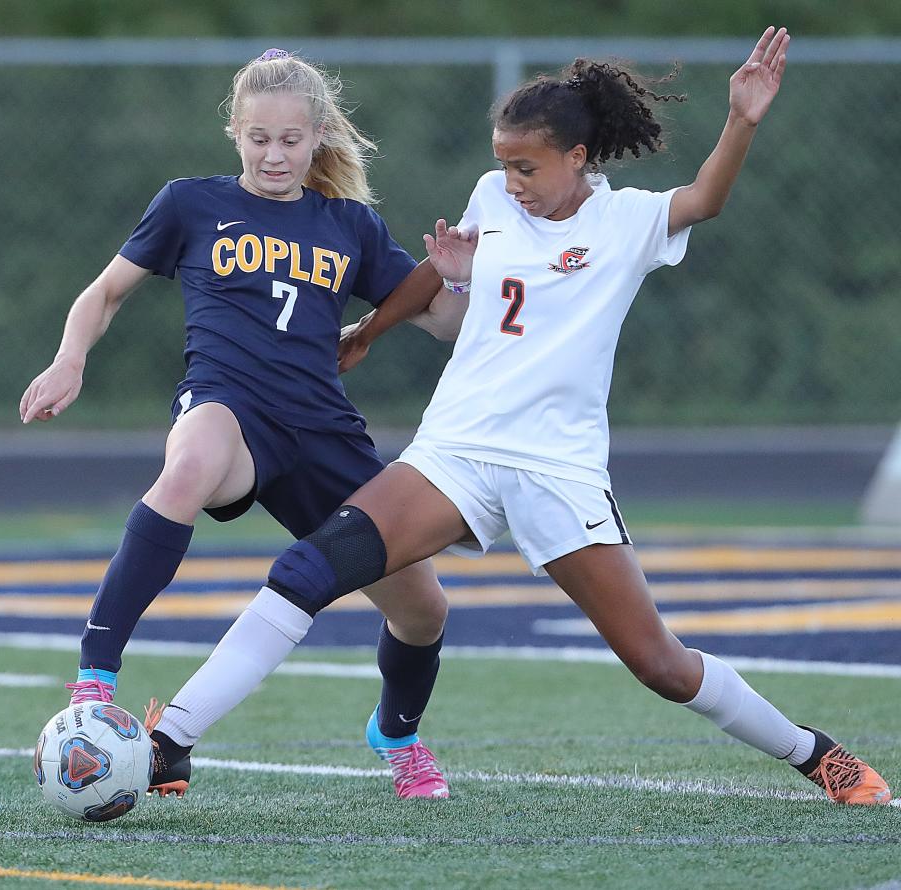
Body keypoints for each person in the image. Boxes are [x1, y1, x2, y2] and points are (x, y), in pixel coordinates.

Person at [145, 28, 891, 806]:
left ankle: (818, 755)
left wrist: (742, 119)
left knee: (660, 664)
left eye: (527, 165)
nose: (512, 180)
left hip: (558, 470)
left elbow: (707, 197)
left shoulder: (627, 222)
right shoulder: (494, 194)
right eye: (504, 163)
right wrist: (371, 330)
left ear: (578, 157)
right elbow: (441, 267)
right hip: (457, 448)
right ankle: (171, 741)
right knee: (306, 571)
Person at [18, 49, 465, 800]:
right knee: (188, 468)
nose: (274, 154)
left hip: (324, 432)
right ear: (235, 132)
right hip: (228, 406)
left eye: (291, 139)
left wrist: (458, 274)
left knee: (423, 610)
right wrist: (70, 360)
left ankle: (398, 732)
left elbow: (448, 325)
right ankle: (94, 677)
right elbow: (104, 294)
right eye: (259, 138)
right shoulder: (190, 204)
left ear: (318, 135)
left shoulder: (349, 224)